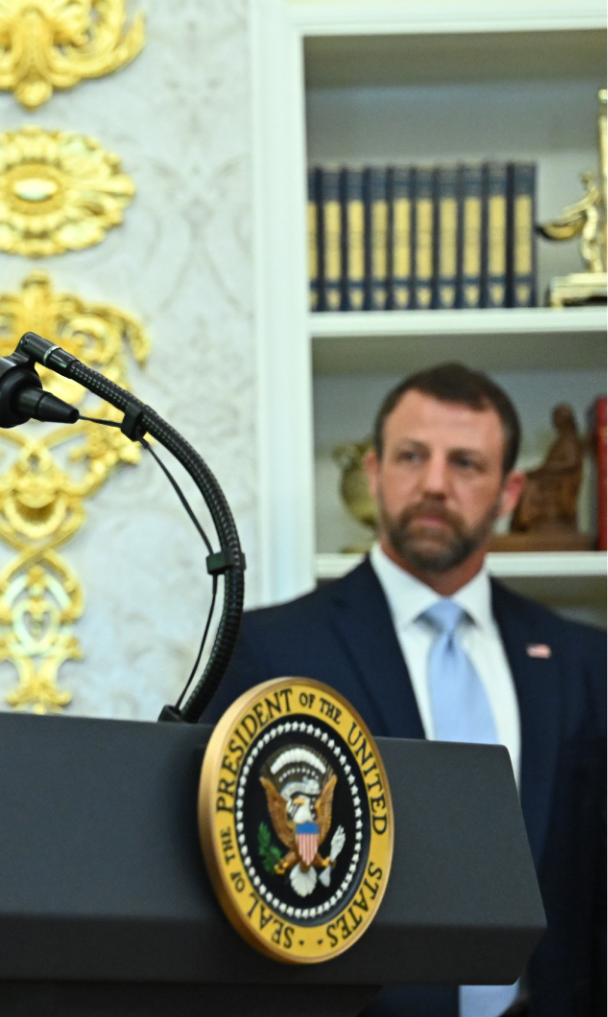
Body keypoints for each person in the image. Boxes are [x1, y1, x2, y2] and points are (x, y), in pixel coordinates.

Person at [209, 364, 605, 1017]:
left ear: (510, 493)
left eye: (466, 464)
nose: (434, 484)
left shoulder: (584, 663)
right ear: (373, 472)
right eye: (412, 457)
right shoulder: (267, 653)